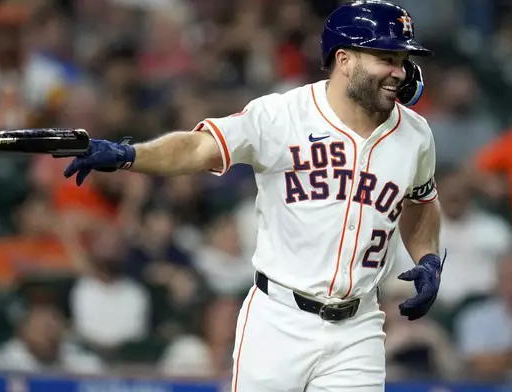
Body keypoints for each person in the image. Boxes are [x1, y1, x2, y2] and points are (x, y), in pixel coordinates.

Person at [61, 1, 445, 391]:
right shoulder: (282, 115)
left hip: (359, 326)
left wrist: (427, 257)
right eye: (386, 57)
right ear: (344, 59)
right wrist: (132, 155)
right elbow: (199, 148)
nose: (400, 72)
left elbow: (420, 201)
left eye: (401, 59)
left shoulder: (415, 134)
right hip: (280, 321)